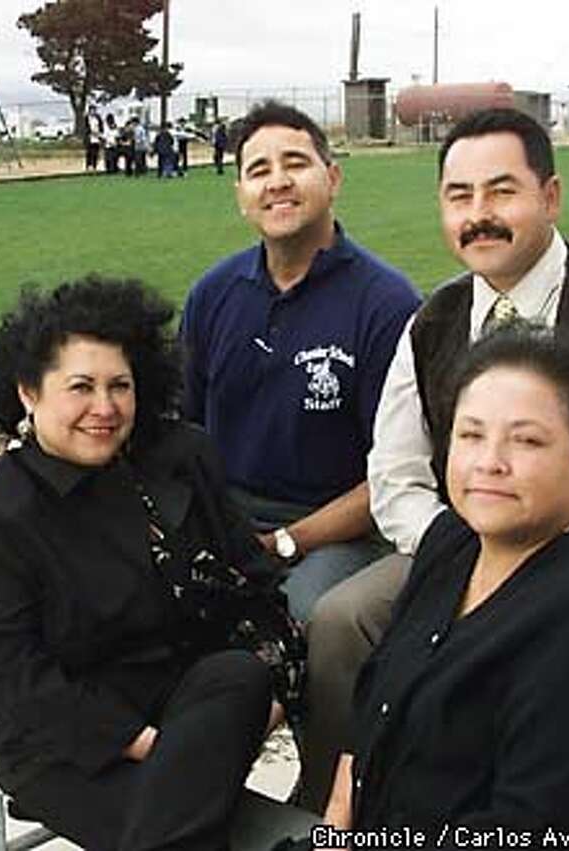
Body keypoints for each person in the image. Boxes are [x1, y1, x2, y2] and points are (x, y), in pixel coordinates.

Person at [304, 106, 569, 812]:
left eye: (501, 191)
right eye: (459, 197)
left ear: (549, 197)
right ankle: (338, 796)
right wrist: (457, 552)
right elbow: (396, 471)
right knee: (345, 617)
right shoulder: (432, 319)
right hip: (477, 554)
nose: (479, 215)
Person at [0, 277, 303, 851]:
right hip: (58, 739)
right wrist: (150, 746)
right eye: (81, 387)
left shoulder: (183, 457)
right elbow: (10, 674)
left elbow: (256, 584)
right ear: (29, 393)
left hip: (194, 712)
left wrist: (269, 700)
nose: (105, 408)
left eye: (120, 386)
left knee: (238, 674)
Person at [325, 327, 569, 834]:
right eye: (471, 434)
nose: (489, 462)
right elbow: (371, 721)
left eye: (526, 440)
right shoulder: (454, 541)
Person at [181, 99, 420, 627]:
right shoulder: (213, 294)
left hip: (340, 528)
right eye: (258, 170)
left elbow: (396, 471)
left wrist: (286, 541)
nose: (277, 181)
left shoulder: (386, 304)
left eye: (295, 163)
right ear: (241, 195)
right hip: (228, 514)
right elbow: (185, 430)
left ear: (332, 178)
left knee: (303, 615)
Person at [85, 105, 104, 171]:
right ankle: (88, 165)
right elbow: (85, 127)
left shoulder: (98, 117)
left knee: (95, 152)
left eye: (94, 110)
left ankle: (94, 166)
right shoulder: (87, 117)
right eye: (92, 110)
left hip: (97, 137)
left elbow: (101, 126)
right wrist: (91, 132)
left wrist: (100, 134)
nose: (93, 112)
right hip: (90, 136)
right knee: (89, 152)